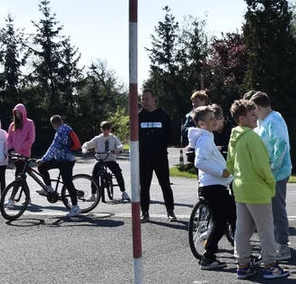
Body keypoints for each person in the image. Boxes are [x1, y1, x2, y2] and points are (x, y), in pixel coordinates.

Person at [226, 100, 288, 280]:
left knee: (242, 230)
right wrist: (270, 183)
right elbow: (262, 165)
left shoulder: (234, 138)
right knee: (266, 229)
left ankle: (242, 265)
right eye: (252, 115)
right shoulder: (253, 138)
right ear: (242, 118)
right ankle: (270, 265)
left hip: (240, 188)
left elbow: (230, 163)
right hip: (257, 189)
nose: (256, 118)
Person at [189, 105, 235, 271]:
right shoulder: (205, 139)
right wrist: (220, 172)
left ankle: (237, 253)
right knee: (224, 220)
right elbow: (199, 161)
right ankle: (209, 257)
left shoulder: (206, 137)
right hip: (213, 186)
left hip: (214, 185)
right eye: (211, 119)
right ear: (202, 123)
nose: (215, 120)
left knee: (228, 218)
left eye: (215, 117)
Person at [249, 91, 293, 261]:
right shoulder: (265, 120)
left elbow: (281, 144)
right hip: (268, 173)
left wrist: (273, 166)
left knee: (277, 209)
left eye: (254, 110)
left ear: (259, 107)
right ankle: (275, 243)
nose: (253, 115)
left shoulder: (273, 120)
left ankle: (283, 246)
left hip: (276, 174)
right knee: (270, 210)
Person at [139, 87, 177, 221]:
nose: (144, 101)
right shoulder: (139, 116)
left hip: (160, 156)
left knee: (165, 185)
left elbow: (169, 135)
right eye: (142, 99)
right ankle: (144, 212)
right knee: (144, 186)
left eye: (147, 98)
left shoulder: (163, 116)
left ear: (154, 99)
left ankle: (170, 211)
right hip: (144, 158)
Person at [37, 115, 80, 218]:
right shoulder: (67, 128)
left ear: (53, 124)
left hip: (66, 161)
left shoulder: (60, 132)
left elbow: (54, 147)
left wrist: (43, 159)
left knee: (67, 183)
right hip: (61, 159)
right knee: (42, 167)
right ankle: (49, 188)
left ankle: (75, 207)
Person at [81, 120, 130, 203]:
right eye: (104, 129)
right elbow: (88, 144)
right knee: (94, 174)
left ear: (110, 129)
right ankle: (93, 194)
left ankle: (123, 192)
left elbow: (120, 145)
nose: (105, 131)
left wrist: (118, 149)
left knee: (118, 172)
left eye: (107, 129)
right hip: (100, 160)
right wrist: (84, 148)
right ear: (101, 129)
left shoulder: (113, 138)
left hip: (110, 159)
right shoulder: (98, 138)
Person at [180, 90, 209, 164]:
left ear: (204, 101)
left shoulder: (211, 114)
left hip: (209, 150)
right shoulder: (190, 116)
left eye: (196, 101)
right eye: (193, 102)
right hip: (195, 152)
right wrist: (193, 130)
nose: (194, 104)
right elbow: (184, 130)